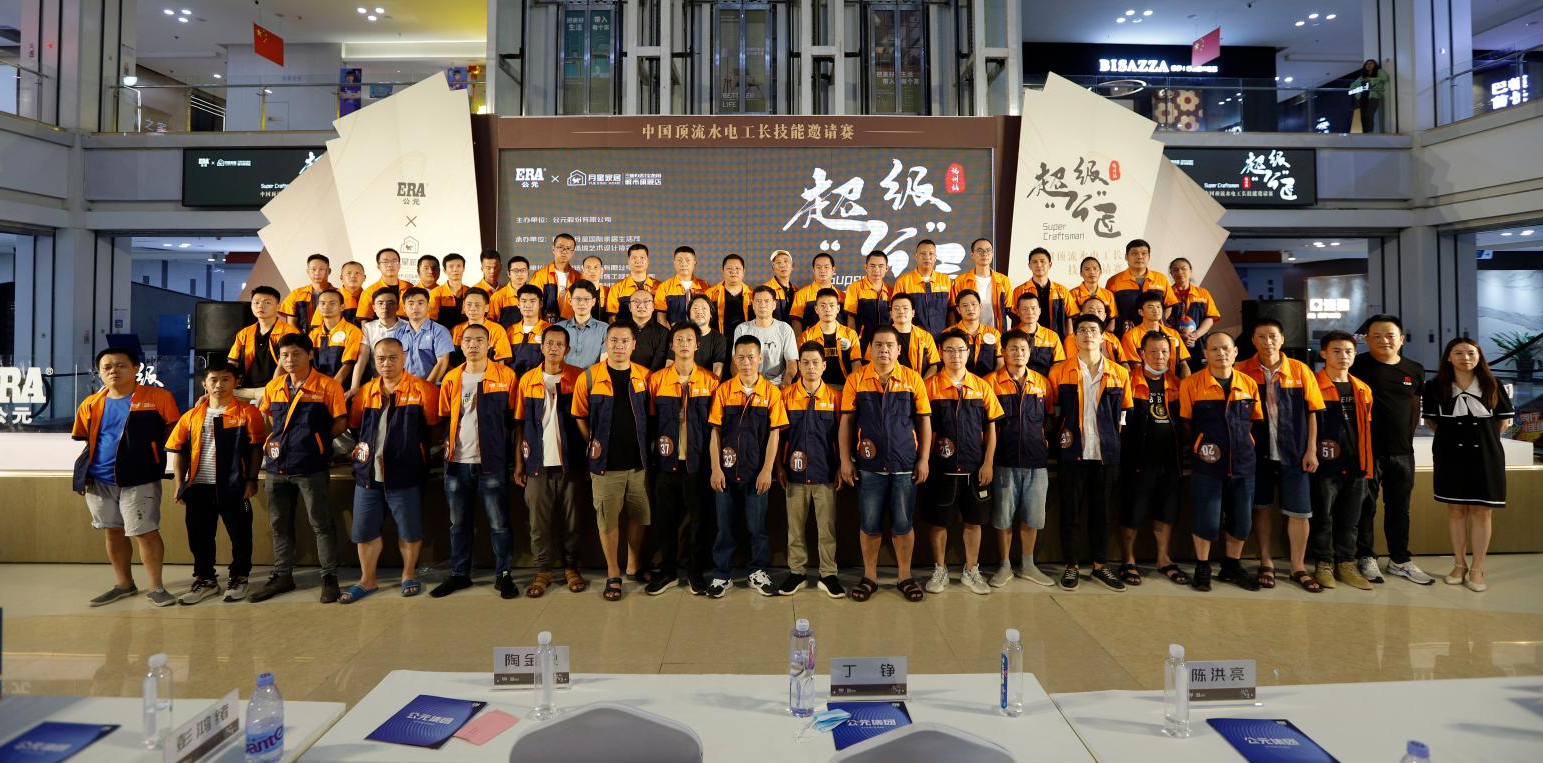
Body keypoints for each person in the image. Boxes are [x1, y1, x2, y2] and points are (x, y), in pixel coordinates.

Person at [73, 347, 182, 607]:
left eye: (121, 365)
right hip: (99, 479)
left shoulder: (158, 397)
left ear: (136, 369)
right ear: (99, 372)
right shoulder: (91, 403)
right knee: (112, 532)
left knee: (146, 532)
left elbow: (175, 433)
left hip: (140, 477)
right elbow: (87, 440)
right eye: (107, 367)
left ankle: (156, 587)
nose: (113, 371)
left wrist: (152, 455)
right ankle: (124, 584)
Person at [839, 325, 933, 603]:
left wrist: (924, 459)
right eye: (878, 345)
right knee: (870, 524)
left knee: (903, 524)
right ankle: (870, 576)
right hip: (869, 467)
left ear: (899, 349)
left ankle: (905, 576)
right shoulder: (857, 379)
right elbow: (846, 422)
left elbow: (924, 421)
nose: (883, 350)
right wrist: (845, 460)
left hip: (905, 465)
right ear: (869, 349)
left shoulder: (913, 379)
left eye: (889, 345)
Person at [252, 333, 347, 603]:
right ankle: (283, 576)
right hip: (277, 468)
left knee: (321, 524)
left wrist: (317, 442)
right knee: (279, 525)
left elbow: (341, 421)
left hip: (311, 466)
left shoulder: (328, 385)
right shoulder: (274, 386)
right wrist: (274, 442)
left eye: (296, 354)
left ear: (310, 355)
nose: (290, 359)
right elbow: (268, 418)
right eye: (284, 355)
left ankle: (329, 578)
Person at [341, 339, 438, 602]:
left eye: (393, 358)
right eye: (381, 358)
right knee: (364, 531)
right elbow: (356, 426)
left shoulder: (423, 389)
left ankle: (409, 574)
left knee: (409, 529)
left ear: (404, 358)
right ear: (374, 361)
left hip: (406, 474)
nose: (387, 363)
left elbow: (435, 427)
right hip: (368, 475)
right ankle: (367, 579)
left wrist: (415, 451)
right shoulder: (366, 391)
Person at [166, 359, 265, 604]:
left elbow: (256, 449)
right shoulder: (191, 416)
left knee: (241, 536)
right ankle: (205, 579)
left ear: (236, 382)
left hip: (234, 486)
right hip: (199, 486)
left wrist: (251, 480)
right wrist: (179, 483)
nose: (219, 385)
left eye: (225, 379)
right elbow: (179, 451)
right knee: (199, 537)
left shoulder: (248, 413)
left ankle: (239, 577)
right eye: (214, 380)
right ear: (204, 384)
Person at [436, 323, 522, 599]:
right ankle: (459, 574)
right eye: (468, 340)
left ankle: (503, 574)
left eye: (479, 340)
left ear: (489, 345)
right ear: (460, 345)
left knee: (499, 524)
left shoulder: (506, 376)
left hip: (492, 462)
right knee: (458, 524)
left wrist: (516, 460)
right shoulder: (451, 378)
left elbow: (515, 421)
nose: (473, 345)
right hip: (457, 463)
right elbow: (443, 418)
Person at [1238, 318, 1325, 592]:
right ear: (1253, 340)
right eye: (1262, 336)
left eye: (1273, 336)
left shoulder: (1300, 370)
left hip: (1295, 452)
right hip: (1257, 453)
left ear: (1282, 339)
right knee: (1261, 508)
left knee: (1300, 512)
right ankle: (1266, 561)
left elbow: (1313, 412)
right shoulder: (1241, 370)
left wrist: (1311, 449)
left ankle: (1298, 566)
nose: (1268, 342)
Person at [1048, 314, 1134, 591]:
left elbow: (1124, 415)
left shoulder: (1119, 373)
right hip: (1071, 452)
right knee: (1070, 512)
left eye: (1093, 330)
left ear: (1103, 336)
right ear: (1074, 338)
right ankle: (1071, 565)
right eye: (1082, 330)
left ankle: (1100, 565)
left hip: (1105, 455)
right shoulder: (1059, 371)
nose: (1088, 335)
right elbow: (1053, 413)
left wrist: (1114, 444)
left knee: (1102, 513)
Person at [572, 322, 654, 601]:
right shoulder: (589, 377)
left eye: (624, 341)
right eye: (614, 341)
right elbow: (579, 415)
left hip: (638, 464)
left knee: (639, 516)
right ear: (606, 344)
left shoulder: (645, 376)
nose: (619, 346)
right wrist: (593, 444)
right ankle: (613, 572)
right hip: (605, 466)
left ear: (633, 345)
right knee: (608, 520)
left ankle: (633, 565)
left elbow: (650, 416)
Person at [1425, 338, 1514, 593]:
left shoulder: (1492, 384)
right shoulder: (1435, 386)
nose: (1465, 357)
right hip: (1450, 453)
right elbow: (1432, 422)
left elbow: (1502, 423)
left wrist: (1483, 439)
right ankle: (1459, 564)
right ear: (1449, 357)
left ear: (1479, 356)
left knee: (1482, 511)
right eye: (1459, 353)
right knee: (1455, 510)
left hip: (1486, 454)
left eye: (1471, 353)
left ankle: (1477, 568)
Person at [1350, 314, 1433, 585]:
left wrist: (1406, 440)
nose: (1383, 340)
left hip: (1402, 452)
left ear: (1402, 339)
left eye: (1390, 336)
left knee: (1400, 508)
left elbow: (1414, 408)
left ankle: (1400, 559)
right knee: (1366, 507)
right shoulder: (1356, 365)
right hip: (1366, 451)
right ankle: (1366, 556)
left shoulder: (1414, 369)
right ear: (1366, 339)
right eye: (1376, 336)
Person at [1178, 332, 1263, 592]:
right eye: (1214, 349)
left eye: (1226, 348)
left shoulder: (1248, 383)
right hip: (1207, 464)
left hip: (1243, 463)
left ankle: (1232, 566)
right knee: (1207, 517)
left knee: (1241, 519)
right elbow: (1186, 423)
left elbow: (1253, 421)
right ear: (1205, 354)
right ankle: (1202, 566)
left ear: (1235, 352)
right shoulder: (1191, 383)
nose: (1220, 353)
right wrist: (1201, 446)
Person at [921, 330, 1004, 596]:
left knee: (974, 521)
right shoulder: (929, 386)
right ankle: (940, 569)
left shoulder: (982, 386)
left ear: (968, 353)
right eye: (949, 350)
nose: (955, 355)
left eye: (960, 350)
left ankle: (971, 570)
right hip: (941, 468)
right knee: (939, 522)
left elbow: (991, 428)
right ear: (940, 353)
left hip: (974, 468)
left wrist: (988, 462)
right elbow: (922, 427)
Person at [706, 336, 789, 597]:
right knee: (724, 527)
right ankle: (722, 574)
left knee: (757, 528)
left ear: (760, 359)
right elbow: (715, 432)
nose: (746, 362)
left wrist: (767, 470)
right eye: (740, 357)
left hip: (757, 474)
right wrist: (716, 468)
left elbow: (775, 434)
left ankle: (757, 571)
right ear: (734, 360)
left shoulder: (771, 393)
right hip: (726, 473)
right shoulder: (724, 391)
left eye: (751, 357)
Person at [514, 325, 591, 597]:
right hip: (537, 462)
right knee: (539, 522)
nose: (554, 348)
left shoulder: (579, 377)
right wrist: (519, 463)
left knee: (573, 520)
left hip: (572, 462)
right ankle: (543, 569)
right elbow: (520, 424)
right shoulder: (527, 380)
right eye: (549, 343)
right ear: (542, 346)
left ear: (567, 349)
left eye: (560, 344)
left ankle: (571, 567)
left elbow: (587, 420)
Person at [643, 323, 719, 595]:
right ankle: (667, 571)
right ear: (671, 345)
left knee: (699, 521)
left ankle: (696, 572)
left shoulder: (710, 381)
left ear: (697, 345)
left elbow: (715, 428)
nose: (684, 343)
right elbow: (650, 423)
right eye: (679, 339)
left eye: (689, 339)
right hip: (665, 463)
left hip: (697, 464)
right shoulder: (656, 380)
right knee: (665, 520)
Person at [984, 330, 1055, 588]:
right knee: (1003, 517)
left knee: (1032, 517)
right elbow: (986, 424)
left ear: (1030, 352)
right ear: (1003, 352)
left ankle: (1028, 564)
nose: (1018, 353)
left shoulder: (1042, 382)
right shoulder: (991, 382)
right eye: (1013, 349)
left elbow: (1049, 418)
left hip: (1036, 461)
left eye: (1023, 349)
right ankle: (1004, 566)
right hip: (1004, 459)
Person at [1116, 332, 1187, 587]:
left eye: (1165, 352)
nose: (1160, 357)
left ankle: (1163, 558)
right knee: (1133, 511)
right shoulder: (1129, 381)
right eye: (1154, 352)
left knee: (1166, 510)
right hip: (1138, 460)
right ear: (1142, 354)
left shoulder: (1177, 384)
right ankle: (1128, 559)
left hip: (1169, 460)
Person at [777, 342, 845, 597]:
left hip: (825, 474)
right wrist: (778, 466)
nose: (810, 367)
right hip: (793, 475)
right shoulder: (786, 396)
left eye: (816, 362)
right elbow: (778, 436)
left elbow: (842, 437)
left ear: (824, 365)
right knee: (795, 528)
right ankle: (797, 572)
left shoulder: (835, 397)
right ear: (798, 366)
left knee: (827, 528)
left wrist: (841, 467)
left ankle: (828, 574)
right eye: (805, 362)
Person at [1309, 331, 1374, 591]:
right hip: (1324, 464)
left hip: (1356, 464)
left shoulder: (1362, 389)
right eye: (1336, 351)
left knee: (1350, 519)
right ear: (1323, 353)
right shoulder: (1313, 385)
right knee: (1323, 518)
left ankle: (1346, 564)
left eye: (1348, 351)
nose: (1343, 356)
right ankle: (1323, 563)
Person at [229, 285, 301, 402]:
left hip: (277, 386)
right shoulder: (244, 333)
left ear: (278, 307)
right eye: (256, 302)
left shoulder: (289, 332)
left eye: (267, 302)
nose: (260, 306)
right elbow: (232, 362)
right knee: (218, 398)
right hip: (245, 388)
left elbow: (284, 364)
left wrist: (271, 390)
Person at [734, 286, 799, 386]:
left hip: (776, 385)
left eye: (766, 301)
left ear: (774, 305)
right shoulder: (742, 329)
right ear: (752, 304)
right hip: (749, 384)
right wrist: (741, 384)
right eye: (758, 301)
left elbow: (791, 362)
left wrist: (786, 382)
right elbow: (735, 361)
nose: (762, 305)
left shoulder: (785, 329)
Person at [798, 288, 862, 389]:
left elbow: (856, 365)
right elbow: (801, 368)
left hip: (845, 387)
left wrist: (853, 388)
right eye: (823, 306)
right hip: (816, 388)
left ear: (838, 308)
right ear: (816, 309)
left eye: (831, 305)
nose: (827, 309)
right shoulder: (806, 336)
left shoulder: (850, 334)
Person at [351, 289, 409, 395]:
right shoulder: (368, 328)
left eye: (390, 303)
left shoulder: (408, 327)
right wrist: (354, 386)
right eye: (380, 303)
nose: (385, 307)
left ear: (397, 307)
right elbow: (362, 357)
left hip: (405, 383)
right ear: (374, 308)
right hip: (378, 383)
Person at [1120, 290, 1191, 378]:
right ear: (1140, 312)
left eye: (1158, 307)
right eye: (1150, 307)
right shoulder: (1130, 336)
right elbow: (1136, 367)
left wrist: (1186, 383)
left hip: (1173, 382)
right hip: (1144, 381)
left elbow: (1183, 364)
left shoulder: (1173, 334)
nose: (1156, 310)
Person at [1164, 257, 1218, 372]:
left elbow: (1210, 318)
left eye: (1184, 268)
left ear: (1190, 270)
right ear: (1171, 273)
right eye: (1175, 270)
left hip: (1199, 343)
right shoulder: (1166, 294)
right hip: (1174, 343)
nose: (1180, 272)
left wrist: (1196, 335)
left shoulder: (1203, 293)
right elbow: (1163, 320)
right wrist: (1179, 336)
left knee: (1202, 373)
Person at [867, 292, 940, 377]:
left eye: (905, 308)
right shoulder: (879, 335)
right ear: (891, 314)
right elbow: (869, 363)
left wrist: (920, 384)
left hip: (919, 383)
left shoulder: (926, 337)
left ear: (913, 313)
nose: (901, 311)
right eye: (896, 308)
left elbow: (933, 366)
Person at [1106, 239, 1170, 333]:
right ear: (1126, 257)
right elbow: (1110, 311)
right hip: (1126, 334)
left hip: (1156, 334)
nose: (1140, 257)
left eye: (1144, 253)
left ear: (1149, 257)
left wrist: (1157, 321)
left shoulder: (1161, 279)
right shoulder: (1114, 281)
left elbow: (1169, 305)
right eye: (1134, 253)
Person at [892, 240, 952, 335]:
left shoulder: (945, 280)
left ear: (935, 258)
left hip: (943, 337)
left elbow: (951, 310)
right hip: (915, 337)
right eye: (923, 254)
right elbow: (896, 312)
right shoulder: (903, 281)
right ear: (916, 257)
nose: (927, 257)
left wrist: (951, 333)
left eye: (931, 254)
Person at [307, 289, 363, 391]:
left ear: (342, 307)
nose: (326, 307)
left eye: (332, 303)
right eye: (322, 303)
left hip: (341, 388)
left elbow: (348, 364)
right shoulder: (313, 334)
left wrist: (330, 388)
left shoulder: (352, 331)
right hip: (315, 387)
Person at [1011, 248, 1074, 339]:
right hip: (1026, 340)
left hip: (1057, 340)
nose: (1039, 265)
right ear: (1029, 266)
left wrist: (1069, 340)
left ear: (1050, 264)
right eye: (1035, 262)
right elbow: (1015, 318)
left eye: (1042, 261)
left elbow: (1069, 317)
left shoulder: (1062, 290)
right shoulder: (1019, 290)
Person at [951, 237, 1012, 328]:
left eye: (988, 250)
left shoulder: (1003, 280)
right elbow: (954, 310)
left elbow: (1008, 308)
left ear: (992, 254)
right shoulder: (960, 281)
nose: (985, 253)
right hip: (968, 332)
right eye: (980, 251)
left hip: (996, 332)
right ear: (972, 255)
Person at [397, 288, 453, 385]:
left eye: (420, 303)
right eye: (411, 303)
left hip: (432, 387)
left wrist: (425, 388)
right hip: (404, 387)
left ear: (428, 306)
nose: (415, 307)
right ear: (404, 308)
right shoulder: (398, 333)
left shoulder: (439, 331)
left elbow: (442, 362)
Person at [450, 287, 515, 366]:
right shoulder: (455, 330)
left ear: (487, 308)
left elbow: (500, 363)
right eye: (469, 304)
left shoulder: (497, 330)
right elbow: (450, 360)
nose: (472, 309)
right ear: (464, 307)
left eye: (477, 305)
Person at [948, 289, 1004, 377]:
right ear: (958, 309)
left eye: (973, 304)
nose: (970, 308)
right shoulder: (949, 334)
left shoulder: (994, 333)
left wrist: (989, 382)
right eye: (965, 305)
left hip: (989, 382)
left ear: (980, 306)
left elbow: (1000, 363)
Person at [845, 251, 893, 349]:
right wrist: (853, 343)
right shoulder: (855, 287)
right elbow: (851, 319)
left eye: (880, 266)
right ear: (866, 267)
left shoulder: (891, 291)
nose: (876, 270)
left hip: (886, 344)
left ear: (886, 269)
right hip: (863, 343)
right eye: (872, 266)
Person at [497, 285, 548, 376]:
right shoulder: (510, 331)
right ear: (518, 304)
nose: (528, 305)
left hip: (539, 381)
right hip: (513, 381)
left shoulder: (549, 330)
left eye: (533, 301)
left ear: (540, 304)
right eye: (524, 301)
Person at [555, 280, 608, 368]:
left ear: (593, 302)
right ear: (570, 301)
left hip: (592, 376)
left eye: (586, 299)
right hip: (563, 376)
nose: (582, 303)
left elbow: (604, 364)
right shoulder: (558, 328)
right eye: (578, 299)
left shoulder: (604, 329)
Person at [1011, 292, 1066, 376]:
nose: (1030, 312)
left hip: (1047, 382)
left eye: (1033, 308)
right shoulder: (1010, 336)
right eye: (1025, 309)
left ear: (1039, 311)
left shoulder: (1052, 336)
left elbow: (1059, 366)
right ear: (1017, 311)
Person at [1061, 296, 1127, 364]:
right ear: (1082, 315)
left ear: (1104, 316)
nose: (1096, 314)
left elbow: (1124, 364)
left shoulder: (1112, 339)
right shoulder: (1072, 339)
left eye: (1099, 311)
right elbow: (1072, 364)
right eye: (1091, 311)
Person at [655, 245, 710, 326]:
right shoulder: (664, 287)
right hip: (673, 332)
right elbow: (661, 317)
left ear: (695, 262)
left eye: (688, 260)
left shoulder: (705, 286)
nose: (683, 264)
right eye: (679, 260)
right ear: (674, 263)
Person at [530, 234, 579, 322]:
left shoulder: (578, 277)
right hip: (546, 326)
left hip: (572, 326)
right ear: (553, 249)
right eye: (560, 247)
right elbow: (533, 303)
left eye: (568, 248)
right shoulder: (540, 275)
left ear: (573, 252)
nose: (564, 251)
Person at [791, 252, 844, 334]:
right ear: (814, 270)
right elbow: (796, 321)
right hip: (810, 340)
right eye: (818, 267)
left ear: (833, 270)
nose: (822, 270)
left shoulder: (842, 296)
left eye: (826, 267)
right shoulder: (801, 295)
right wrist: (798, 339)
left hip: (838, 339)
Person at [605, 243, 661, 318]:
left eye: (642, 257)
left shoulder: (660, 287)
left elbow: (663, 315)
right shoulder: (617, 288)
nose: (638, 261)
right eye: (634, 258)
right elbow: (612, 317)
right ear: (628, 261)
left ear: (648, 261)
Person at [622, 288, 671, 371]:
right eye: (636, 301)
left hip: (653, 377)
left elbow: (659, 362)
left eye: (646, 301)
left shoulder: (663, 333)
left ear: (653, 307)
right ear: (630, 307)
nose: (641, 305)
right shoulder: (620, 330)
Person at [280, 253, 334, 329]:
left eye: (321, 269)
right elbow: (291, 323)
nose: (317, 273)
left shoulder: (340, 294)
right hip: (302, 336)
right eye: (313, 269)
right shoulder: (296, 294)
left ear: (329, 271)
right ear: (308, 271)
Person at [1067, 257, 1117, 335]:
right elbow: (1070, 321)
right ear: (1081, 273)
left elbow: (1112, 321)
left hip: (1103, 336)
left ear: (1100, 272)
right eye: (1087, 269)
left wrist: (1100, 336)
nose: (1092, 272)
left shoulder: (1108, 295)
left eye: (1095, 268)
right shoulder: (1072, 294)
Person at [708, 253, 753, 338]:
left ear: (743, 271)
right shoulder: (710, 294)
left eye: (737, 268)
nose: (733, 272)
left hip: (745, 342)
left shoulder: (752, 295)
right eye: (729, 268)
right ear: (722, 271)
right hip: (717, 342)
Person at [357, 247, 408, 322]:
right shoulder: (369, 292)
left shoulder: (409, 287)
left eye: (394, 261)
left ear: (399, 265)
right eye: (385, 262)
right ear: (378, 266)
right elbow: (365, 321)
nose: (390, 265)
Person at [688, 293, 728, 378]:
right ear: (689, 314)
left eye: (704, 308)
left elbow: (717, 369)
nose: (699, 312)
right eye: (695, 308)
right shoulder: (680, 336)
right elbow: (670, 363)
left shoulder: (719, 339)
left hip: (707, 384)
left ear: (710, 314)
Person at [429, 252, 470, 328]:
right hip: (442, 333)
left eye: (459, 266)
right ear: (445, 270)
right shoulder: (436, 293)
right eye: (451, 266)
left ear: (463, 269)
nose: (455, 270)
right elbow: (431, 320)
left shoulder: (470, 292)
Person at [489, 255, 533, 325]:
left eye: (523, 270)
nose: (519, 274)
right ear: (508, 273)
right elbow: (491, 324)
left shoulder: (534, 295)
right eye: (515, 271)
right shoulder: (497, 297)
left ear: (528, 273)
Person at [1351, 58, 1389, 133]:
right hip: (1361, 97)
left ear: (1375, 65)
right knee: (1362, 116)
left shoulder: (1379, 71)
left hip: (1373, 96)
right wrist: (1360, 89)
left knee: (1369, 114)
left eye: (1371, 63)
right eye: (1367, 64)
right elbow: (1352, 86)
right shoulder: (1362, 77)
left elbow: (1385, 78)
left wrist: (1371, 79)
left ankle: (1369, 132)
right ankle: (1364, 132)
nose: (1369, 65)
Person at [764, 249, 796, 324]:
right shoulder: (765, 290)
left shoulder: (796, 291)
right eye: (778, 262)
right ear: (773, 268)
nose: (782, 265)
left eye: (786, 261)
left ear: (792, 266)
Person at [577, 255, 609, 322]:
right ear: (583, 271)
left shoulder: (609, 292)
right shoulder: (574, 292)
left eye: (595, 267)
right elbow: (566, 318)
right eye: (588, 267)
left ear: (602, 270)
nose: (592, 271)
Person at [337, 260, 367, 325]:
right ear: (341, 277)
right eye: (349, 273)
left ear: (364, 277)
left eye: (357, 273)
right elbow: (317, 327)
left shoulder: (371, 296)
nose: (353, 276)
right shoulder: (331, 297)